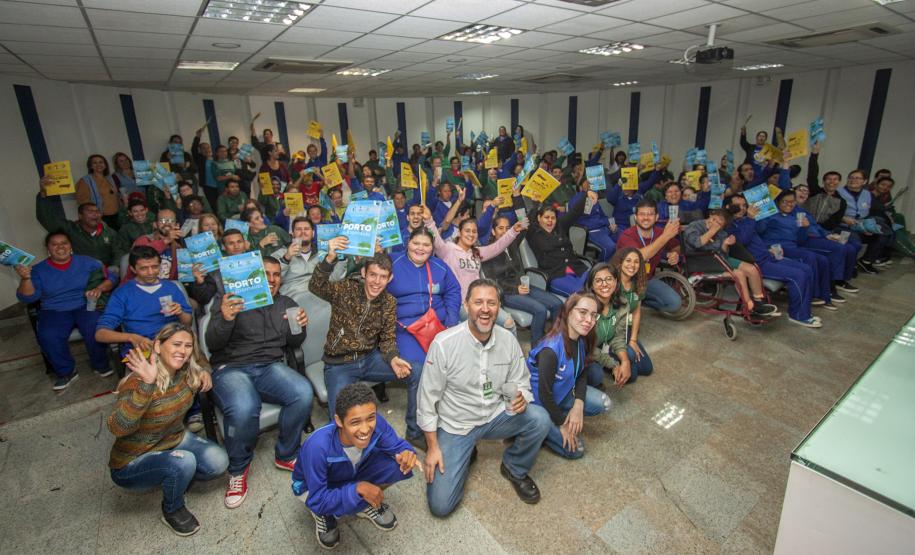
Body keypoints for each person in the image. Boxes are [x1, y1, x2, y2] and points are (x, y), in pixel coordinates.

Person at [418, 279, 551, 517]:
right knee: (441, 506)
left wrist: (522, 396)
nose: (485, 309)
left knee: (540, 418)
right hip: (457, 425)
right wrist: (433, 447)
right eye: (478, 302)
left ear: (499, 307)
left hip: (495, 415)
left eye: (491, 302)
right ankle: (465, 451)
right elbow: (427, 401)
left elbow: (522, 379)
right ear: (466, 305)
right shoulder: (444, 344)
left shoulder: (508, 340)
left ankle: (514, 467)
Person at [205, 255, 313, 509]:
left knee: (303, 392)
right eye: (266, 274)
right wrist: (226, 319)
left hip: (269, 366)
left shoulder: (286, 302)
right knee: (245, 406)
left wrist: (301, 327)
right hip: (231, 367)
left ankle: (286, 454)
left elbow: (294, 344)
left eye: (276, 275)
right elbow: (212, 344)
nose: (272, 279)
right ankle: (238, 470)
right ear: (254, 277)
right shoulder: (230, 301)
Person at [107, 323, 227, 537]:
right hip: (133, 460)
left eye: (188, 346)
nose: (182, 350)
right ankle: (172, 509)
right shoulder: (138, 379)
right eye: (176, 344)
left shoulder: (185, 372)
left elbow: (202, 362)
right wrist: (146, 384)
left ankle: (174, 474)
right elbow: (117, 428)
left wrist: (204, 372)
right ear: (158, 347)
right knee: (184, 462)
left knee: (219, 461)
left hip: (173, 438)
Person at [309, 243, 423, 445]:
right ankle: (336, 456)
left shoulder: (389, 302)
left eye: (382, 276)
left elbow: (388, 338)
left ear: (390, 279)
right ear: (363, 273)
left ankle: (414, 432)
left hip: (370, 360)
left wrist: (393, 358)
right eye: (373, 275)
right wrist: (329, 260)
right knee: (340, 419)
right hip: (339, 365)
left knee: (418, 371)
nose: (376, 282)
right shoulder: (345, 289)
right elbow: (316, 286)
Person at [291, 383, 419, 549]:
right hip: (313, 488)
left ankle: (363, 503)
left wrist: (407, 452)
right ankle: (324, 515)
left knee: (398, 464)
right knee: (324, 502)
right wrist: (358, 488)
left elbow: (398, 446)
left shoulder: (376, 423)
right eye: (355, 422)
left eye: (370, 418)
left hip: (351, 471)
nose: (365, 429)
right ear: (339, 421)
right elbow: (318, 499)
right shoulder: (317, 447)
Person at [16, 231, 116, 389]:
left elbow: (111, 278)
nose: (60, 247)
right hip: (54, 309)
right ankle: (66, 371)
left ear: (70, 246)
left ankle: (100, 364)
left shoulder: (88, 262)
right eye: (54, 244)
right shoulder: (38, 270)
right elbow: (28, 298)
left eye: (64, 243)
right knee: (48, 334)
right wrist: (26, 278)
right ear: (47, 248)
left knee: (95, 326)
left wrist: (99, 288)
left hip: (85, 304)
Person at [389, 228, 462, 430]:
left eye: (426, 245)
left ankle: (449, 414)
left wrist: (451, 320)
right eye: (416, 243)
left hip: (438, 325)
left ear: (432, 248)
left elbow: (454, 291)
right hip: (406, 329)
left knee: (454, 364)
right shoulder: (391, 263)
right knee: (422, 371)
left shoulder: (440, 266)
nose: (420, 248)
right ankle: (416, 427)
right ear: (407, 243)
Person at [527, 292, 611, 459]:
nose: (589, 320)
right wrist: (560, 424)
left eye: (594, 316)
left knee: (606, 403)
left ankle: (562, 416)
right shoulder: (550, 350)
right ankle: (541, 427)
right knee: (576, 451)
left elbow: (582, 371)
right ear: (568, 311)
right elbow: (544, 394)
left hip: (563, 394)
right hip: (541, 404)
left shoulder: (582, 338)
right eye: (583, 312)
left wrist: (578, 406)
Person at [423, 193, 522, 333]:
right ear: (459, 233)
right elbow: (436, 240)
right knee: (484, 329)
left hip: (481, 300)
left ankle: (512, 355)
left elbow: (497, 247)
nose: (471, 234)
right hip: (460, 303)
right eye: (467, 231)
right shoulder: (448, 249)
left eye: (474, 232)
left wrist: (513, 231)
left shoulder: (476, 252)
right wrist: (428, 220)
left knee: (509, 323)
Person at [725, 195, 821, 328]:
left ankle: (803, 309)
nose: (742, 209)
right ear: (728, 207)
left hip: (768, 257)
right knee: (799, 275)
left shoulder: (744, 220)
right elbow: (742, 240)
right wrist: (751, 219)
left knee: (806, 268)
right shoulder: (728, 224)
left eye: (744, 205)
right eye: (737, 206)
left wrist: (768, 249)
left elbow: (756, 239)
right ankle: (799, 315)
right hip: (758, 264)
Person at [95, 246, 193, 356]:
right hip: (141, 350)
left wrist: (180, 312)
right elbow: (100, 334)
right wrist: (132, 338)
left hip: (173, 344)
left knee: (199, 370)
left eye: (155, 267)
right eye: (144, 268)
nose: (150, 272)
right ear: (133, 269)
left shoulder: (171, 287)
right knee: (154, 368)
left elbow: (187, 322)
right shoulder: (122, 293)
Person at [483, 215, 563, 344]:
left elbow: (526, 221)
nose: (504, 231)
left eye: (507, 228)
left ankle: (555, 342)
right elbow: (493, 282)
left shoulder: (512, 243)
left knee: (557, 304)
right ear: (493, 231)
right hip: (508, 292)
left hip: (524, 285)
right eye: (500, 228)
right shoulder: (487, 252)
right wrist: (515, 289)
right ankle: (537, 348)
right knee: (540, 310)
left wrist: (533, 203)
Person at [683, 210, 779, 316]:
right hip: (700, 260)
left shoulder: (722, 232)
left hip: (719, 257)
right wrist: (713, 230)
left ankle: (759, 301)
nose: (715, 223)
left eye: (719, 223)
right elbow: (697, 243)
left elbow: (723, 251)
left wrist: (726, 244)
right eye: (714, 219)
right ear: (710, 215)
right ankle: (749, 306)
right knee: (739, 274)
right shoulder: (694, 226)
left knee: (752, 269)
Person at [757, 190, 837, 310]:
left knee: (823, 260)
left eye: (792, 202)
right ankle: (812, 295)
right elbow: (759, 230)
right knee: (809, 257)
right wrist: (763, 215)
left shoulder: (795, 217)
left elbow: (800, 240)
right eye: (785, 201)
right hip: (775, 247)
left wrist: (804, 229)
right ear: (778, 202)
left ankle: (824, 296)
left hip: (793, 247)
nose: (789, 204)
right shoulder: (770, 214)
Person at [37, 177, 124, 272]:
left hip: (106, 273)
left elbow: (118, 252)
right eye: (90, 212)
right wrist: (43, 194)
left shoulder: (110, 233)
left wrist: (115, 266)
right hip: (81, 273)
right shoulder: (70, 229)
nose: (95, 214)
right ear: (80, 216)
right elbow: (47, 219)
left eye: (97, 211)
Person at [615, 199, 683, 314]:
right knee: (625, 315)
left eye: (650, 214)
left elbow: (676, 246)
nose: (646, 218)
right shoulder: (627, 235)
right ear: (636, 217)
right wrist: (665, 236)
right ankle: (633, 301)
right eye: (642, 214)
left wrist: (675, 253)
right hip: (626, 282)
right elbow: (639, 256)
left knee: (675, 304)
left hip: (647, 280)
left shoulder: (660, 232)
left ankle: (644, 302)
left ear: (656, 217)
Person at [526, 190, 598, 296]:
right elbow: (528, 222)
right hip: (556, 274)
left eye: (553, 218)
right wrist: (535, 205)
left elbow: (574, 212)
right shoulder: (534, 233)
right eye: (546, 217)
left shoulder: (560, 226)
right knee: (583, 294)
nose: (550, 221)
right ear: (539, 218)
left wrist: (586, 195)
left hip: (576, 267)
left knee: (598, 284)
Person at [584, 263, 634, 388]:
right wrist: (613, 364)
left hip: (603, 345)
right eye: (598, 281)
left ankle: (610, 363)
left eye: (609, 279)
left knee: (631, 369)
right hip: (583, 350)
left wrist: (625, 361)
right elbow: (587, 347)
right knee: (596, 376)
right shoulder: (586, 308)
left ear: (616, 281)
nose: (604, 284)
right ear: (591, 285)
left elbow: (618, 336)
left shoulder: (622, 304)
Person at [126, 209, 181, 281]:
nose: (167, 224)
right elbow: (141, 257)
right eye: (162, 221)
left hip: (164, 287)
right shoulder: (143, 240)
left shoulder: (178, 248)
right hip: (139, 286)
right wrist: (166, 240)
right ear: (155, 224)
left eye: (171, 221)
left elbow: (177, 277)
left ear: (177, 225)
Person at [76, 154, 121, 229]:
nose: (98, 165)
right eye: (95, 163)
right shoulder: (85, 181)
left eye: (101, 162)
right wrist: (95, 217)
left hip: (116, 216)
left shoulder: (110, 178)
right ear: (90, 166)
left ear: (105, 165)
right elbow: (83, 203)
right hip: (100, 218)